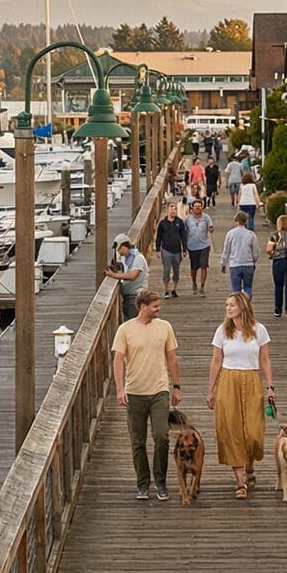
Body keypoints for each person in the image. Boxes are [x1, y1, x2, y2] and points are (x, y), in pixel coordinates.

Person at [111, 290, 180, 502]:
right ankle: (142, 483)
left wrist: (176, 386)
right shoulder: (125, 330)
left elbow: (172, 358)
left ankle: (161, 481)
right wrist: (120, 389)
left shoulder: (165, 327)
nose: (159, 309)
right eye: (155, 306)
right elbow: (118, 360)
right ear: (143, 307)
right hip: (135, 392)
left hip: (159, 390)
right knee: (138, 441)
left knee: (161, 436)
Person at [207, 292, 274, 499]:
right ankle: (240, 482)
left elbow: (264, 359)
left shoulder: (258, 329)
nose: (228, 308)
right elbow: (216, 361)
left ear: (243, 307)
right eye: (227, 305)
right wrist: (211, 389)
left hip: (251, 379)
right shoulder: (222, 331)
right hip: (228, 380)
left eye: (232, 305)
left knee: (253, 432)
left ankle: (250, 466)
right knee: (232, 429)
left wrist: (270, 386)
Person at [105, 237, 149, 316]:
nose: (119, 251)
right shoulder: (126, 259)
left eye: (119, 249)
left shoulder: (138, 258)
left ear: (125, 246)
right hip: (128, 297)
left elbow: (133, 276)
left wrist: (113, 275)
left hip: (136, 296)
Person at [221, 210, 259, 297]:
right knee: (248, 287)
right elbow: (256, 252)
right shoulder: (251, 234)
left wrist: (223, 263)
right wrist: (253, 261)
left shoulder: (230, 234)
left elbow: (226, 250)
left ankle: (238, 306)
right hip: (248, 264)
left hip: (235, 264)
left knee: (236, 289)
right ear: (246, 221)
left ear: (236, 220)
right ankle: (247, 304)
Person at [154, 203, 187, 299]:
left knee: (176, 271)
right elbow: (159, 237)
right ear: (167, 210)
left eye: (175, 209)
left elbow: (183, 236)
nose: (174, 211)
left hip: (177, 251)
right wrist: (157, 250)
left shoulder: (180, 222)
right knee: (166, 270)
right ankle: (166, 290)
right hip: (166, 250)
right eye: (172, 209)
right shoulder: (163, 223)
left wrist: (184, 249)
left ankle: (174, 289)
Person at [184, 198, 214, 294]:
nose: (197, 208)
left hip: (204, 245)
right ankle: (194, 282)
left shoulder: (206, 217)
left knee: (203, 265)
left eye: (199, 206)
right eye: (196, 206)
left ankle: (202, 285)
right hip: (192, 246)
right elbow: (184, 231)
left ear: (202, 208)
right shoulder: (188, 219)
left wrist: (211, 229)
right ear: (192, 208)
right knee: (194, 267)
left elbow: (211, 227)